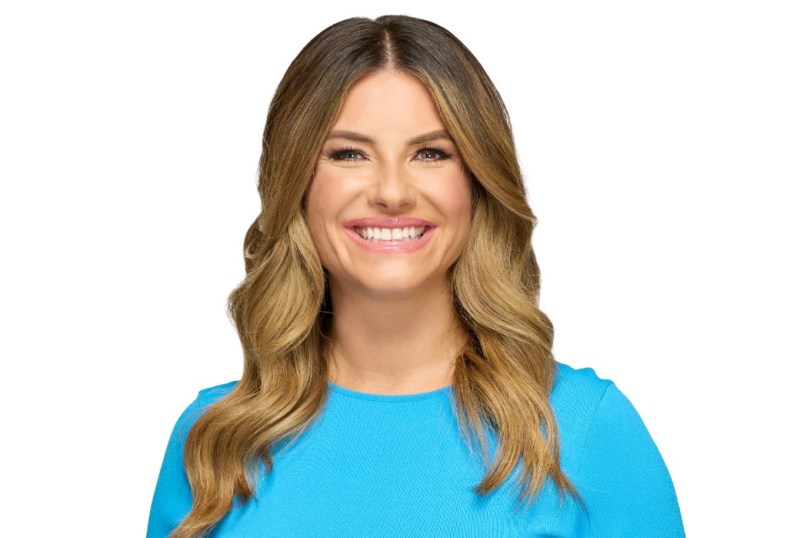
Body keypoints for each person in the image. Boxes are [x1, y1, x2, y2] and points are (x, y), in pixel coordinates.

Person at [147, 15, 684, 537]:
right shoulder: (214, 441)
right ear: (298, 185)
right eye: (349, 153)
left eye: (430, 153)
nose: (392, 192)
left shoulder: (585, 431)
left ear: (476, 182)